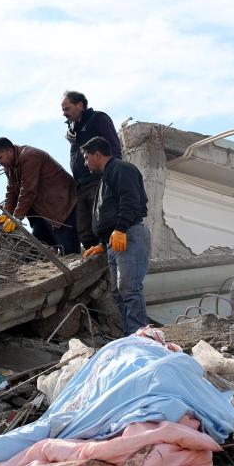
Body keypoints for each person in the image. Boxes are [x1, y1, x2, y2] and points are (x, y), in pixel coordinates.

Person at [80, 136, 150, 335]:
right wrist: (103, 243)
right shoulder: (106, 176)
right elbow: (108, 211)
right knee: (119, 292)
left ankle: (141, 336)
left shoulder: (121, 169)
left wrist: (120, 228)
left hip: (128, 234)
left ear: (98, 154)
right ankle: (132, 335)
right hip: (115, 240)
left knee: (129, 288)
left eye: (86, 158)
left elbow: (130, 200)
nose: (86, 163)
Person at [0, 138, 79, 255]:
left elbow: (28, 190)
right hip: (42, 214)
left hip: (62, 208)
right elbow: (11, 192)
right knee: (35, 252)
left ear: (9, 151)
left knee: (69, 252)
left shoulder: (30, 156)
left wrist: (16, 217)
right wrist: (6, 215)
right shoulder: (9, 168)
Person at [62, 90, 122, 249]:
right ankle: (93, 259)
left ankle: (109, 257)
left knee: (102, 222)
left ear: (80, 105)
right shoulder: (74, 129)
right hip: (81, 184)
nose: (64, 113)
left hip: (98, 180)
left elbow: (114, 147)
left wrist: (111, 174)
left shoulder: (98, 119)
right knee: (84, 229)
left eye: (67, 109)